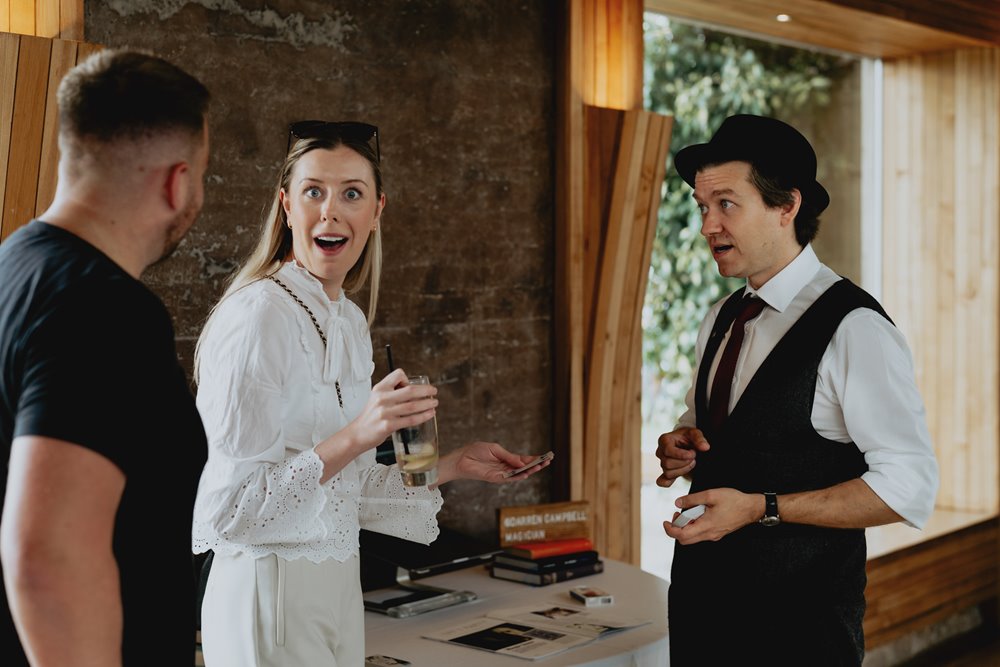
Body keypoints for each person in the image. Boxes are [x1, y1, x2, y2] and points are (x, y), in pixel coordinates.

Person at [192, 120, 550, 667]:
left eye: (351, 194)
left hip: (337, 590)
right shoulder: (258, 316)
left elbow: (341, 494)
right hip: (268, 596)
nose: (330, 212)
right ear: (286, 205)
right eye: (313, 191)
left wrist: (451, 466)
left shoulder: (350, 321)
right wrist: (361, 433)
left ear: (377, 211)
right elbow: (233, 512)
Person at [655, 114, 939, 666]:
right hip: (701, 612)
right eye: (702, 207)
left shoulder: (855, 328)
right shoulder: (720, 317)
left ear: (787, 206)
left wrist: (762, 508)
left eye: (726, 205)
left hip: (798, 632)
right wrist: (684, 446)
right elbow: (730, 433)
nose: (708, 225)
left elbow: (909, 485)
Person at [0, 49, 211, 666]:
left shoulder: (13, 267)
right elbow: (48, 558)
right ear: (177, 182)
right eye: (201, 173)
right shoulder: (105, 310)